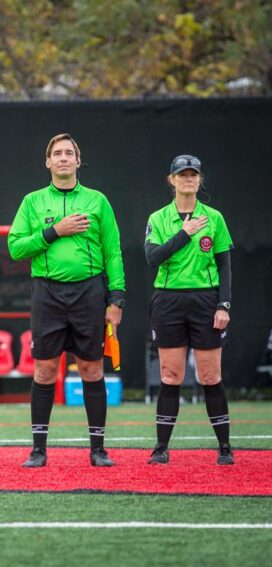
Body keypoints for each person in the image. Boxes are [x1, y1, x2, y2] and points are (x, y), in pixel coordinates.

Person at [8, 133, 125, 468]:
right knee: (45, 371)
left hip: (90, 293)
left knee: (91, 368)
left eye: (68, 153)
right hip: (47, 294)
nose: (62, 158)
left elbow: (113, 252)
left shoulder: (97, 201)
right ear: (47, 162)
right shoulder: (32, 202)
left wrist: (116, 299)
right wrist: (54, 231)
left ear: (77, 160)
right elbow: (16, 248)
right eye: (56, 153)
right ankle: (38, 449)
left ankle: (98, 448)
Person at [144, 154, 234, 465]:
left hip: (205, 301)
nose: (188, 179)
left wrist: (223, 305)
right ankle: (161, 447)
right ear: (172, 180)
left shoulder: (215, 218)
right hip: (168, 300)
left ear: (199, 179)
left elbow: (224, 266)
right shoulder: (158, 218)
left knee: (210, 375)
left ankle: (224, 447)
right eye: (182, 174)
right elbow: (153, 258)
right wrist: (185, 233)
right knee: (171, 375)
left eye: (193, 174)